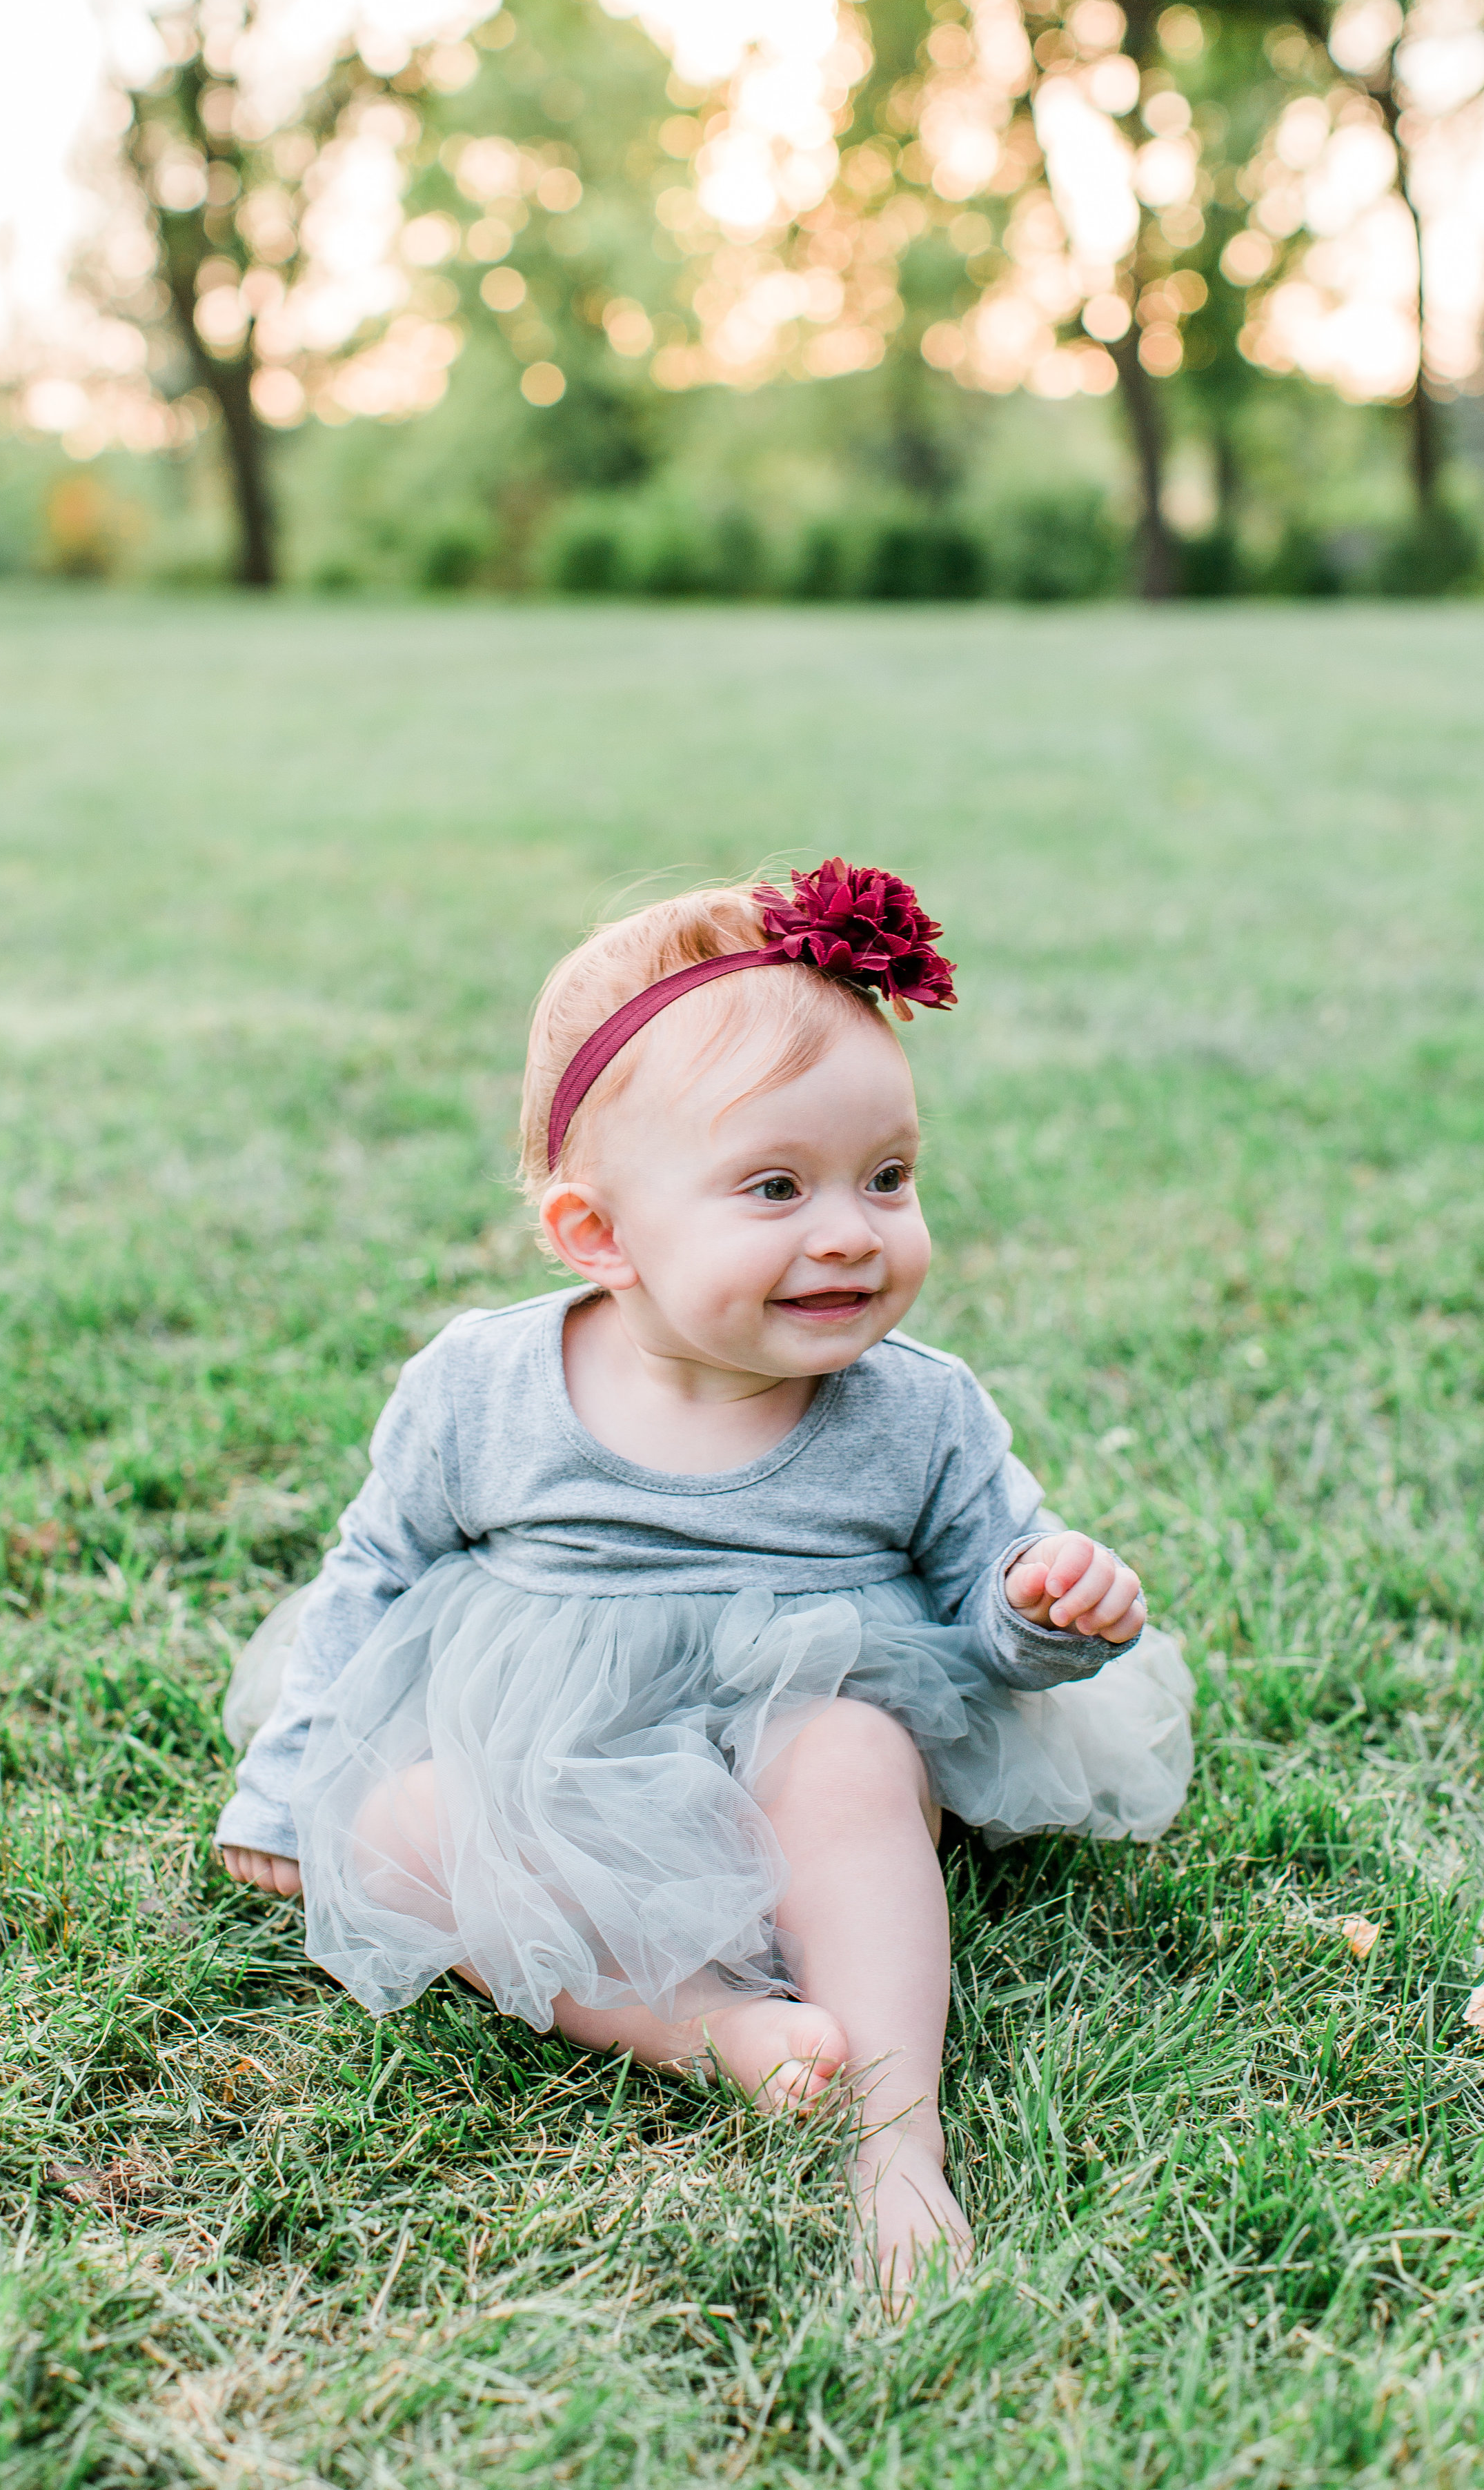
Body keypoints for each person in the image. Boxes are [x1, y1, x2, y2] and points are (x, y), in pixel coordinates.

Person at [216, 861, 1194, 2300]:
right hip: (554, 1763)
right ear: (596, 1235)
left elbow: (984, 1608)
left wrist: (1042, 1609)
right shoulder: (484, 1388)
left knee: (853, 1754)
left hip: (803, 1744)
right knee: (400, 1834)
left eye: (889, 1177)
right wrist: (286, 1784)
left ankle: (892, 2141)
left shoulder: (914, 1410)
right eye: (774, 1188)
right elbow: (373, 1574)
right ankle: (700, 2028)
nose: (851, 1229)